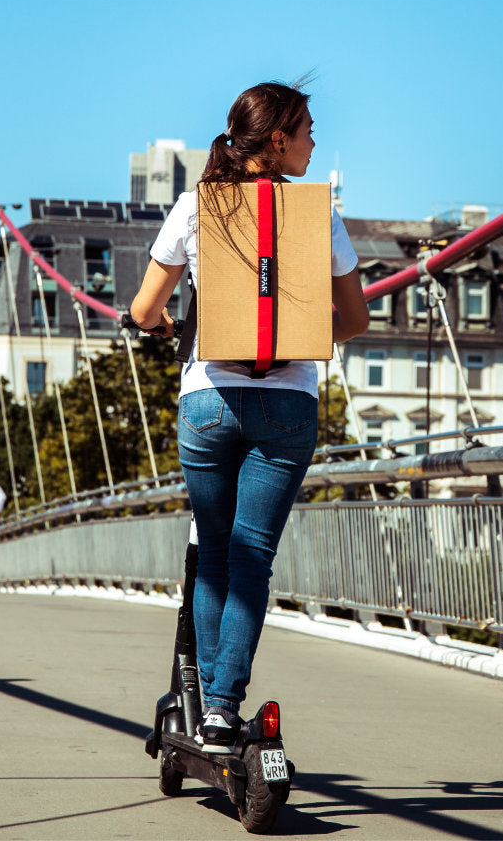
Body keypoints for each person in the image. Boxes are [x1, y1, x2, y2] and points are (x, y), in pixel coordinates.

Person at [129, 80, 368, 753]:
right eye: (309, 130)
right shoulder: (321, 214)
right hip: (288, 406)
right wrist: (296, 329)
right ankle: (224, 707)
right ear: (281, 139)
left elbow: (145, 310)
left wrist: (167, 324)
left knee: (214, 558)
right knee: (252, 557)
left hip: (208, 399)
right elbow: (353, 321)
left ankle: (203, 704)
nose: (317, 141)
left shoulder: (195, 206)